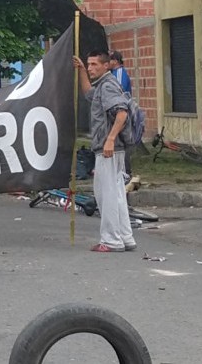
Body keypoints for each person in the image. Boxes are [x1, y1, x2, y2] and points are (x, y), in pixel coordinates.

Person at [73, 51, 136, 253]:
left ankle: (110, 241)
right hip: (114, 149)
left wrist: (109, 139)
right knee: (116, 194)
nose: (91, 68)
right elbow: (88, 94)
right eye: (89, 64)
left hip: (109, 149)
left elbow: (122, 112)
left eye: (94, 64)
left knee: (105, 194)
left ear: (106, 65)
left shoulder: (108, 86)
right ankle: (125, 237)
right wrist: (81, 70)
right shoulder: (102, 86)